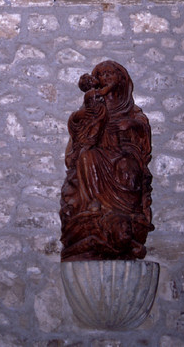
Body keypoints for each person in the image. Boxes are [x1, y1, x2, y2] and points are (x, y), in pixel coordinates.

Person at [60, 60, 154, 261]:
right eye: (102, 74)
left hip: (124, 151)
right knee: (87, 157)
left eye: (111, 73)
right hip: (99, 149)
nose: (107, 78)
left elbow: (143, 130)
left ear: (121, 78)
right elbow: (78, 125)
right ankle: (93, 204)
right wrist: (81, 117)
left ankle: (127, 211)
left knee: (128, 167)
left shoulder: (130, 108)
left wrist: (131, 124)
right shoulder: (94, 101)